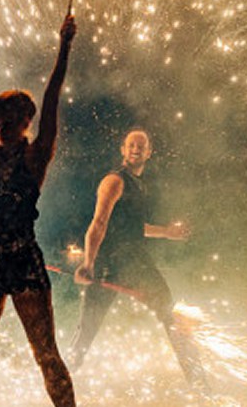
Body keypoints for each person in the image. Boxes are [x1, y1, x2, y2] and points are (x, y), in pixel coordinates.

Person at [0, 14, 77, 407]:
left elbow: (53, 93)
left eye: (9, 122)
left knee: (46, 355)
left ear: (27, 121)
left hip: (23, 260)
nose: (1, 127)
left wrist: (65, 44)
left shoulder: (37, 155)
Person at [70, 128, 210, 392]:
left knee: (169, 312)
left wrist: (166, 233)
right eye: (131, 145)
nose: (135, 148)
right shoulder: (114, 181)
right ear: (123, 150)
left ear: (149, 152)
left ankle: (199, 381)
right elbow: (99, 223)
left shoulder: (138, 184)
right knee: (87, 328)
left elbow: (132, 226)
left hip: (136, 262)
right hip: (109, 264)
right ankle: (62, 376)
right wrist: (88, 264)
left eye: (141, 146)